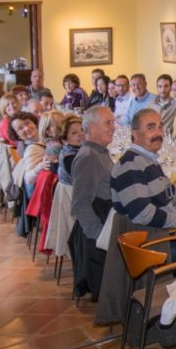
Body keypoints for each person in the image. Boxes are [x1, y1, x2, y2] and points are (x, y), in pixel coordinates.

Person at [110, 109, 176, 261]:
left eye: (160, 127)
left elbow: (170, 193)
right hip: (153, 244)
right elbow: (142, 214)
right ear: (135, 133)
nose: (159, 133)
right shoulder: (130, 165)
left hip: (160, 234)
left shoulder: (148, 160)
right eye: (151, 127)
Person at [70, 106, 116, 300]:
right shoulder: (89, 157)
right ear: (91, 127)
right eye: (108, 123)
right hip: (99, 233)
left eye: (113, 122)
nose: (113, 127)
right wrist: (101, 238)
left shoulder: (99, 152)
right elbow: (80, 204)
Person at [57, 114, 83, 186]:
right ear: (65, 140)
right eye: (74, 133)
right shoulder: (69, 157)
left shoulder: (78, 147)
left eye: (82, 129)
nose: (81, 134)